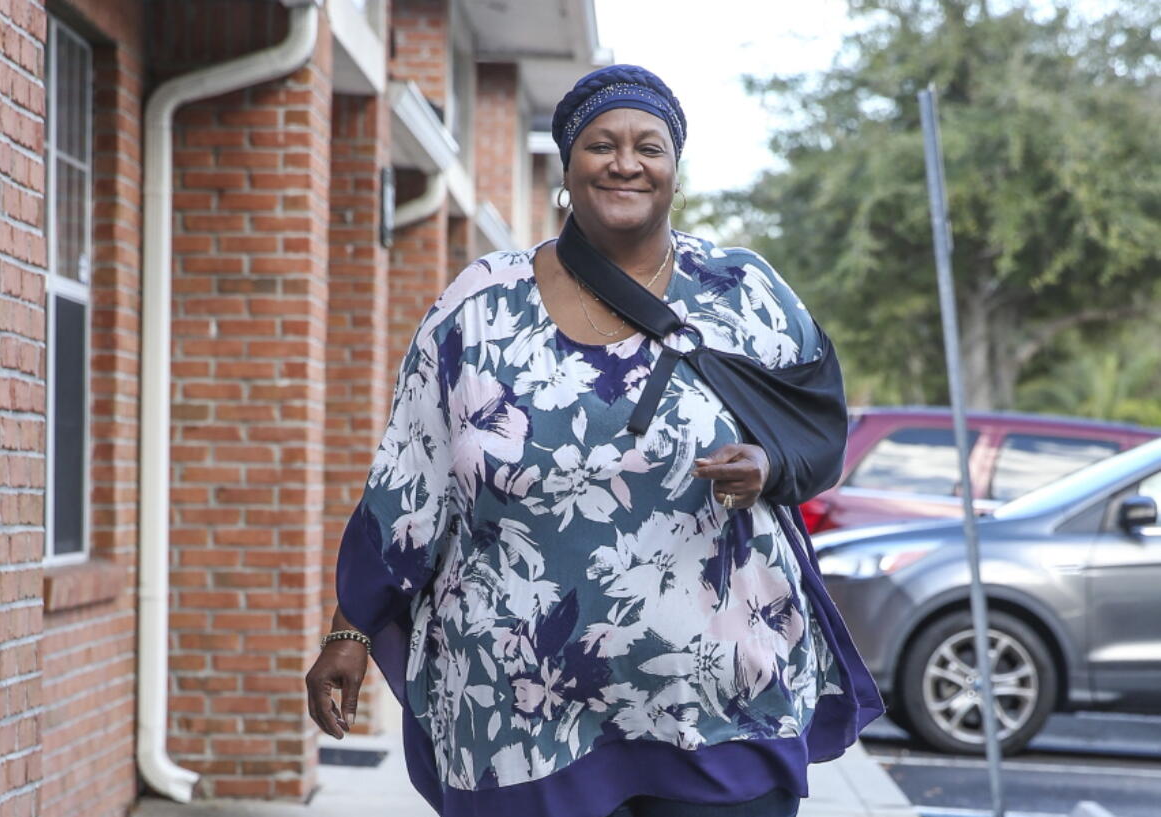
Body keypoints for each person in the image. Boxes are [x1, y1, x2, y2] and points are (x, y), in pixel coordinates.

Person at [306, 64, 882, 817]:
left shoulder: (743, 293)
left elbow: (819, 424)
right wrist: (351, 623)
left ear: (674, 168)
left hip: (719, 695)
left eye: (649, 146)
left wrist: (771, 465)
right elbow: (409, 476)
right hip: (517, 703)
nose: (625, 161)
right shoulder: (480, 305)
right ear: (568, 166)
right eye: (601, 144)